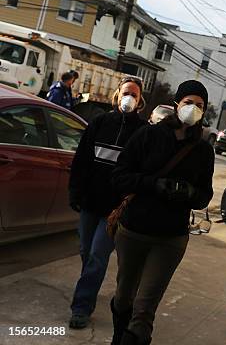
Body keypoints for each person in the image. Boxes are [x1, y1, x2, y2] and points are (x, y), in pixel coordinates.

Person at [110, 80, 214, 345]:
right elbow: (120, 176)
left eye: (199, 105)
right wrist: (153, 184)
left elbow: (205, 196)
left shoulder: (203, 150)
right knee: (124, 298)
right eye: (188, 102)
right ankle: (118, 335)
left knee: (144, 311)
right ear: (177, 104)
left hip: (170, 238)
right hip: (133, 230)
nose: (193, 109)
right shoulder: (149, 135)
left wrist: (188, 192)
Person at [68, 76, 147, 329]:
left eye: (134, 95)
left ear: (140, 100)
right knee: (85, 251)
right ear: (116, 94)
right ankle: (89, 285)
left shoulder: (142, 132)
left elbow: (141, 171)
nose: (129, 98)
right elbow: (81, 160)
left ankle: (81, 307)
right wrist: (75, 192)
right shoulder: (99, 123)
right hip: (90, 202)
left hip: (115, 210)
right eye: (126, 92)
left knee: (97, 256)